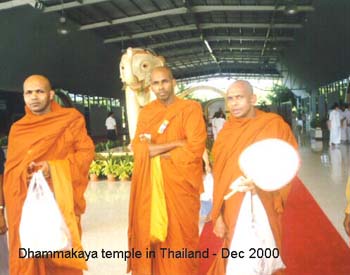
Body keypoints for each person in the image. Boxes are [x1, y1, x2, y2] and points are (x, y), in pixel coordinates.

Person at [3, 75, 95, 275]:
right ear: (23, 96)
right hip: (29, 207)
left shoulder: (70, 119)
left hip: (58, 201)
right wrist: (23, 174)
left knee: (62, 255)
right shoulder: (18, 129)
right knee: (30, 258)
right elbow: (11, 169)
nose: (34, 97)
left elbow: (86, 153)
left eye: (40, 91)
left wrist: (53, 168)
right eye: (29, 92)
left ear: (50, 94)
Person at [208, 80, 297, 275]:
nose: (234, 104)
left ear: (253, 98)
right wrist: (219, 216)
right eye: (230, 99)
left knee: (268, 252)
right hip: (234, 204)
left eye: (239, 97)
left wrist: (264, 183)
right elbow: (220, 178)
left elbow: (288, 162)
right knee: (235, 254)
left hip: (265, 198)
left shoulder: (273, 124)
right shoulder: (225, 134)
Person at [127, 66, 206, 274]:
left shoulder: (190, 109)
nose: (160, 87)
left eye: (164, 81)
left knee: (182, 238)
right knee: (152, 236)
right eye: (155, 83)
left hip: (181, 187)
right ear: (150, 86)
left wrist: (156, 153)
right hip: (151, 186)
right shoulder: (147, 113)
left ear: (173, 82)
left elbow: (195, 147)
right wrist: (177, 143)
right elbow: (138, 149)